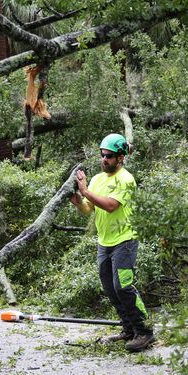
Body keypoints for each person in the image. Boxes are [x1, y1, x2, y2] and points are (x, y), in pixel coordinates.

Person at [70, 133, 154, 352]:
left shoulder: (126, 179)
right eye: (102, 155)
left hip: (125, 240)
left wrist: (85, 190)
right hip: (104, 242)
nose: (104, 159)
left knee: (123, 286)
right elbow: (90, 208)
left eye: (109, 156)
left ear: (121, 158)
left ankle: (144, 331)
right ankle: (128, 329)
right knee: (109, 288)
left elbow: (110, 206)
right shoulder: (97, 179)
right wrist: (77, 200)